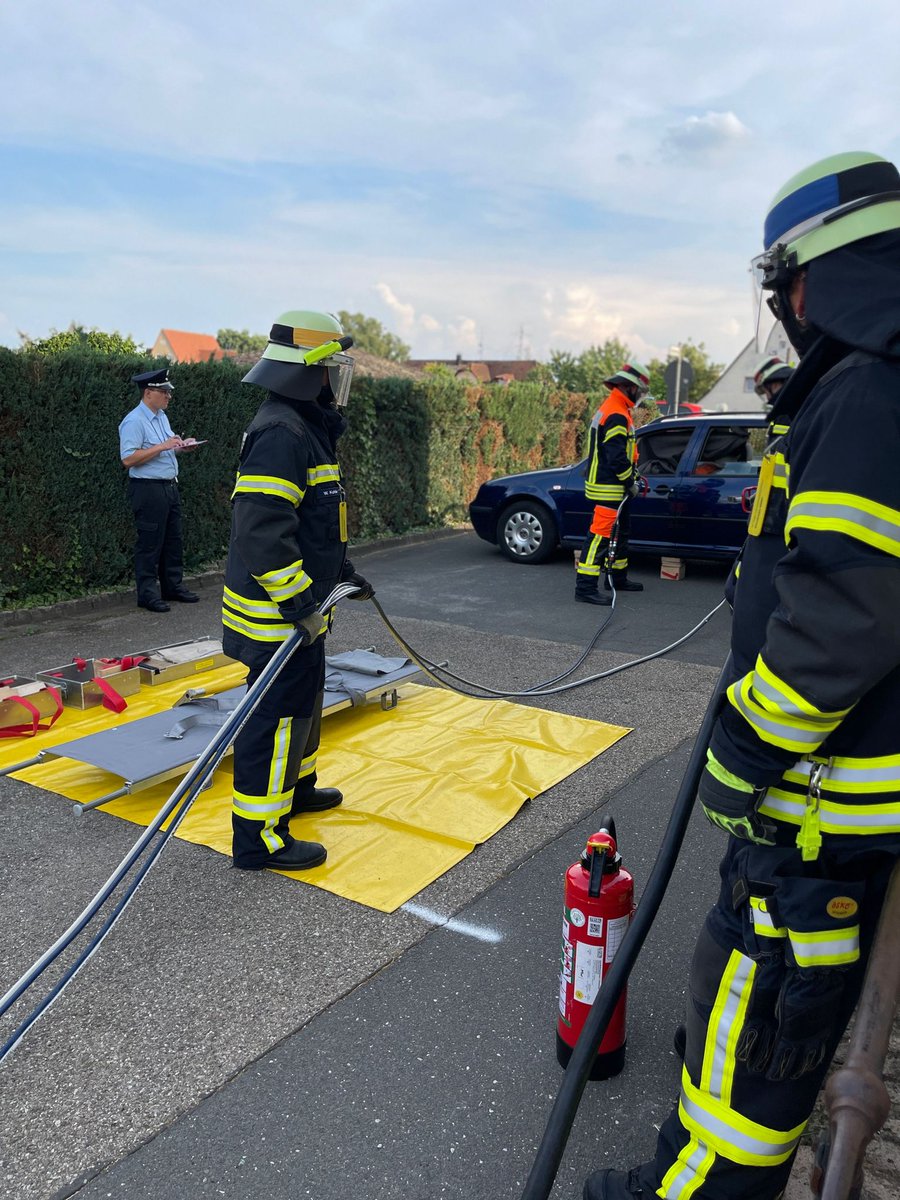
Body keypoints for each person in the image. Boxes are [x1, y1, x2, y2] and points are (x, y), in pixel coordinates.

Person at [584, 150, 900, 1200]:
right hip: (833, 812)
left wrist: (738, 751)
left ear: (816, 276)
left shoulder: (863, 394)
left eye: (787, 288)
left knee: (752, 1044)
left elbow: (842, 618)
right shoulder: (866, 388)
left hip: (814, 812)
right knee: (741, 1031)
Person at [222, 309, 374, 873]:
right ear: (306, 370)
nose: (337, 380)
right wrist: (300, 602)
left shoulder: (304, 426)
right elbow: (260, 531)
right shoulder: (282, 432)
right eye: (331, 367)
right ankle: (259, 837)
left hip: (298, 609)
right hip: (275, 616)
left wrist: (340, 571)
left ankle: (296, 789)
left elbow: (310, 520)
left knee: (305, 703)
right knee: (276, 717)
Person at [118, 368, 201, 612]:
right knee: (150, 543)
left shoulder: (161, 416)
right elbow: (128, 459)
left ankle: (172, 587)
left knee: (173, 540)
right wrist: (163, 445)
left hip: (168, 486)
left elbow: (165, 449)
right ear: (148, 393)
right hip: (148, 489)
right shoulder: (134, 421)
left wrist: (181, 447)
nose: (169, 396)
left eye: (168, 391)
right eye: (164, 391)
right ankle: (147, 594)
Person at [574, 362, 650, 605]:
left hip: (614, 485)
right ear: (628, 387)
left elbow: (623, 453)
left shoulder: (617, 408)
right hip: (609, 487)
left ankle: (617, 578)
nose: (641, 395)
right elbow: (615, 456)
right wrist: (630, 480)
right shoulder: (616, 413)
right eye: (640, 390)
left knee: (621, 532)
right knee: (599, 536)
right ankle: (585, 588)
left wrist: (632, 477)